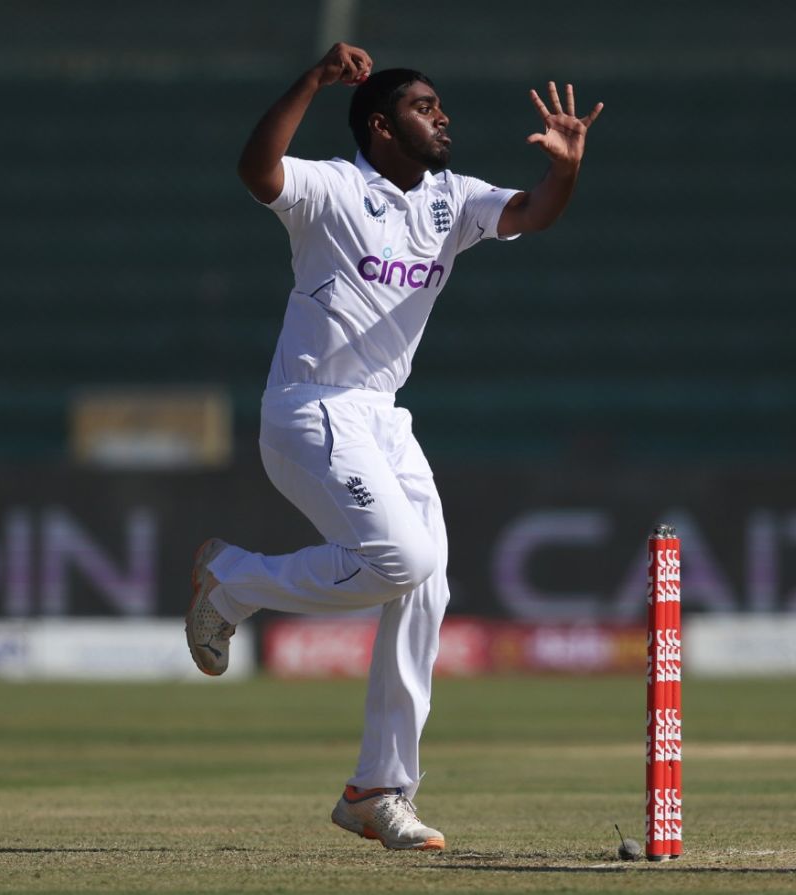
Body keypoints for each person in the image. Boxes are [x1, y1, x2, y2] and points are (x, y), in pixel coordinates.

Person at [186, 42, 602, 852]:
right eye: (423, 106)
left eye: (441, 105)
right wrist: (310, 79)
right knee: (402, 561)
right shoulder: (333, 188)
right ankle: (231, 579)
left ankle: (378, 788)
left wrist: (568, 172)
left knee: (426, 586)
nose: (442, 116)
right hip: (310, 406)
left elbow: (531, 213)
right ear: (379, 126)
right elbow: (255, 170)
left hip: (383, 417)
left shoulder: (452, 200)